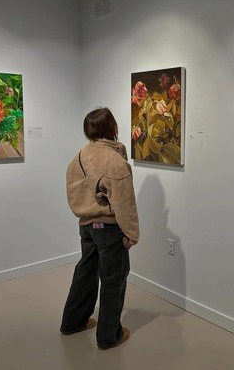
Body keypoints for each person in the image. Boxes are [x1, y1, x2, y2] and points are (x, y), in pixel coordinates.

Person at [60, 107, 140, 350]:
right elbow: (125, 204)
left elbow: (73, 191)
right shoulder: (115, 162)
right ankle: (109, 336)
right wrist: (131, 235)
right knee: (113, 280)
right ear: (112, 128)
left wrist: (85, 213)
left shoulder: (81, 155)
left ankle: (73, 322)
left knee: (85, 274)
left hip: (87, 228)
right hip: (109, 230)